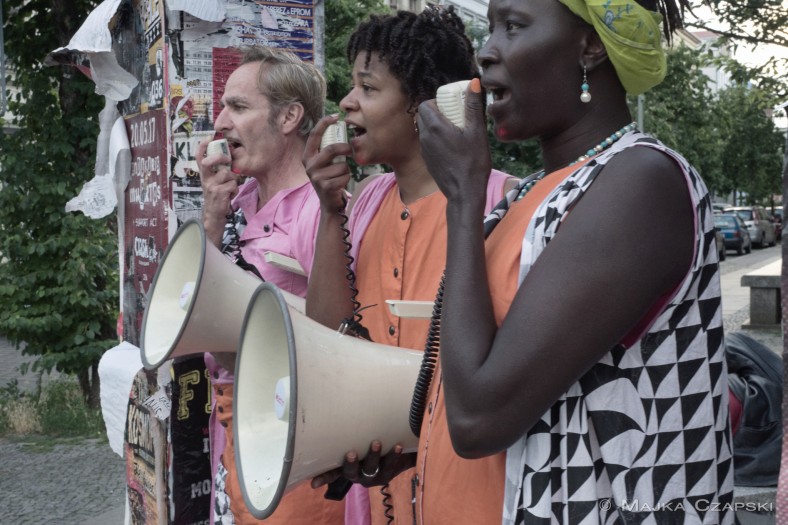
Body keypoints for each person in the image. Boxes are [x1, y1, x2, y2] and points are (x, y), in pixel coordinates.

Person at [321, 0, 737, 523]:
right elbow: (520, 393)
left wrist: (463, 199)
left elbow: (479, 419)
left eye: (513, 27)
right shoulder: (524, 200)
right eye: (490, 27)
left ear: (589, 46)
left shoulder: (639, 183)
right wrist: (417, 447)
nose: (487, 52)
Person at [302, 7, 518, 525]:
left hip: (479, 497)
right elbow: (325, 338)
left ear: (424, 105)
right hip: (385, 499)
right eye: (351, 86)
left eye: (369, 88)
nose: (347, 102)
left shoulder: (504, 203)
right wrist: (331, 214)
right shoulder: (365, 202)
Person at [195, 46, 344, 525]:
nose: (220, 122)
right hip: (234, 431)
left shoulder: (315, 211)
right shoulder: (235, 200)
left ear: (290, 117)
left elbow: (339, 336)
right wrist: (212, 220)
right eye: (223, 106)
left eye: (238, 107)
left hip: (292, 444)